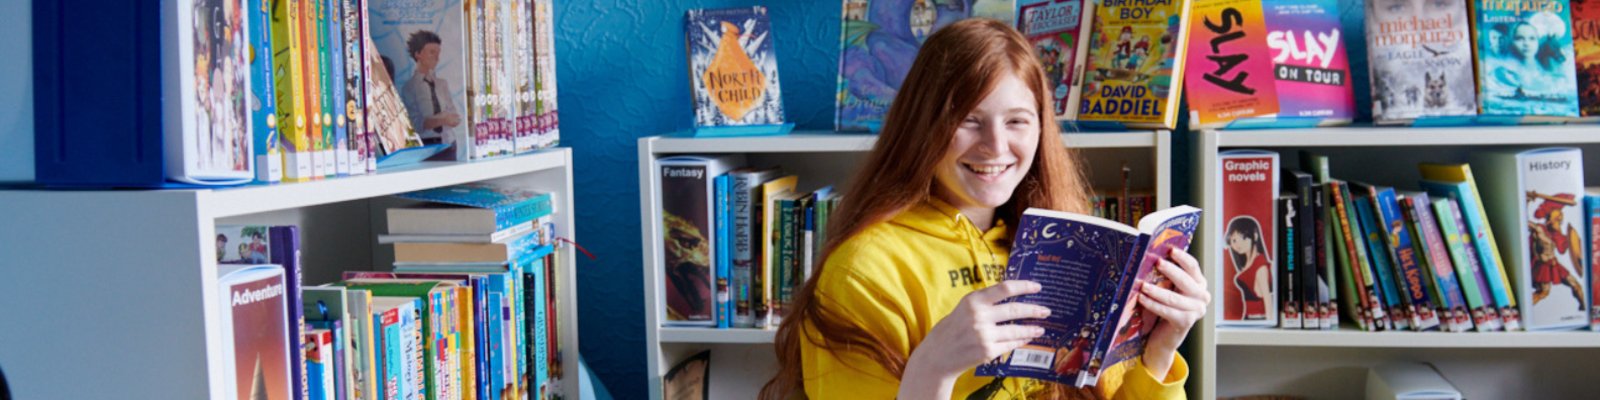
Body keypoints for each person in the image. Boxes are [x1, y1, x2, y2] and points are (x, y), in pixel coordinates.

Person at [761, 19, 1205, 400]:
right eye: (969, 120)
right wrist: (932, 370)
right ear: (923, 127)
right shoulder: (864, 270)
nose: (996, 145)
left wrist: (1161, 350)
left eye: (1016, 121)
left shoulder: (1069, 250)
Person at [401, 30, 462, 147]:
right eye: (431, 53)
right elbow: (416, 124)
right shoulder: (409, 87)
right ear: (417, 54)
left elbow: (453, 113)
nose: (436, 58)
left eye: (438, 53)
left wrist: (443, 119)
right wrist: (441, 119)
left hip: (449, 142)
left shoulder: (442, 84)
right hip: (426, 144)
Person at [1226, 217, 1271, 320]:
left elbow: (1267, 300)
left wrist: (1269, 322)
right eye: (1233, 240)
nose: (1237, 244)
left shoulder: (1260, 266)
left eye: (1242, 238)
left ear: (1255, 236)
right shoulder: (1249, 263)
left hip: (1257, 318)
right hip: (1249, 317)